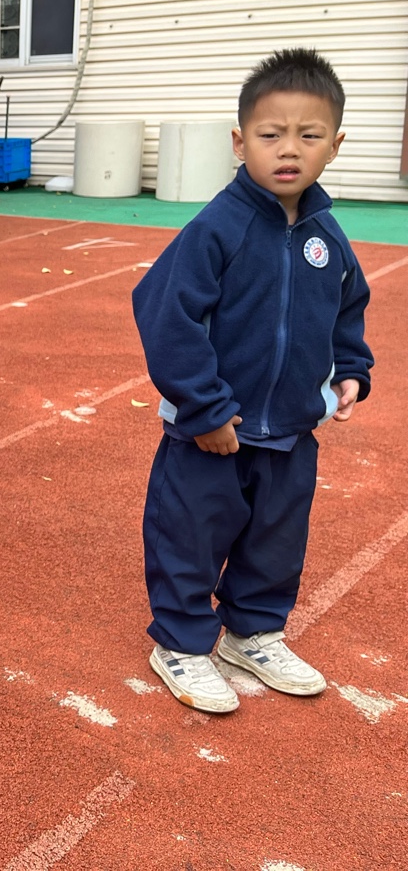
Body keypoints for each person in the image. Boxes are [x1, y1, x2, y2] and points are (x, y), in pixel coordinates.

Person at [132, 48, 373, 714]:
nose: (289, 149)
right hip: (211, 433)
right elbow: (165, 313)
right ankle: (180, 643)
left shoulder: (327, 236)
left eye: (309, 135)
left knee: (276, 540)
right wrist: (205, 409)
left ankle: (253, 632)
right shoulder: (218, 227)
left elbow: (346, 308)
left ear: (335, 145)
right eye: (271, 134)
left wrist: (352, 369)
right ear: (240, 143)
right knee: (190, 537)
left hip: (291, 432)